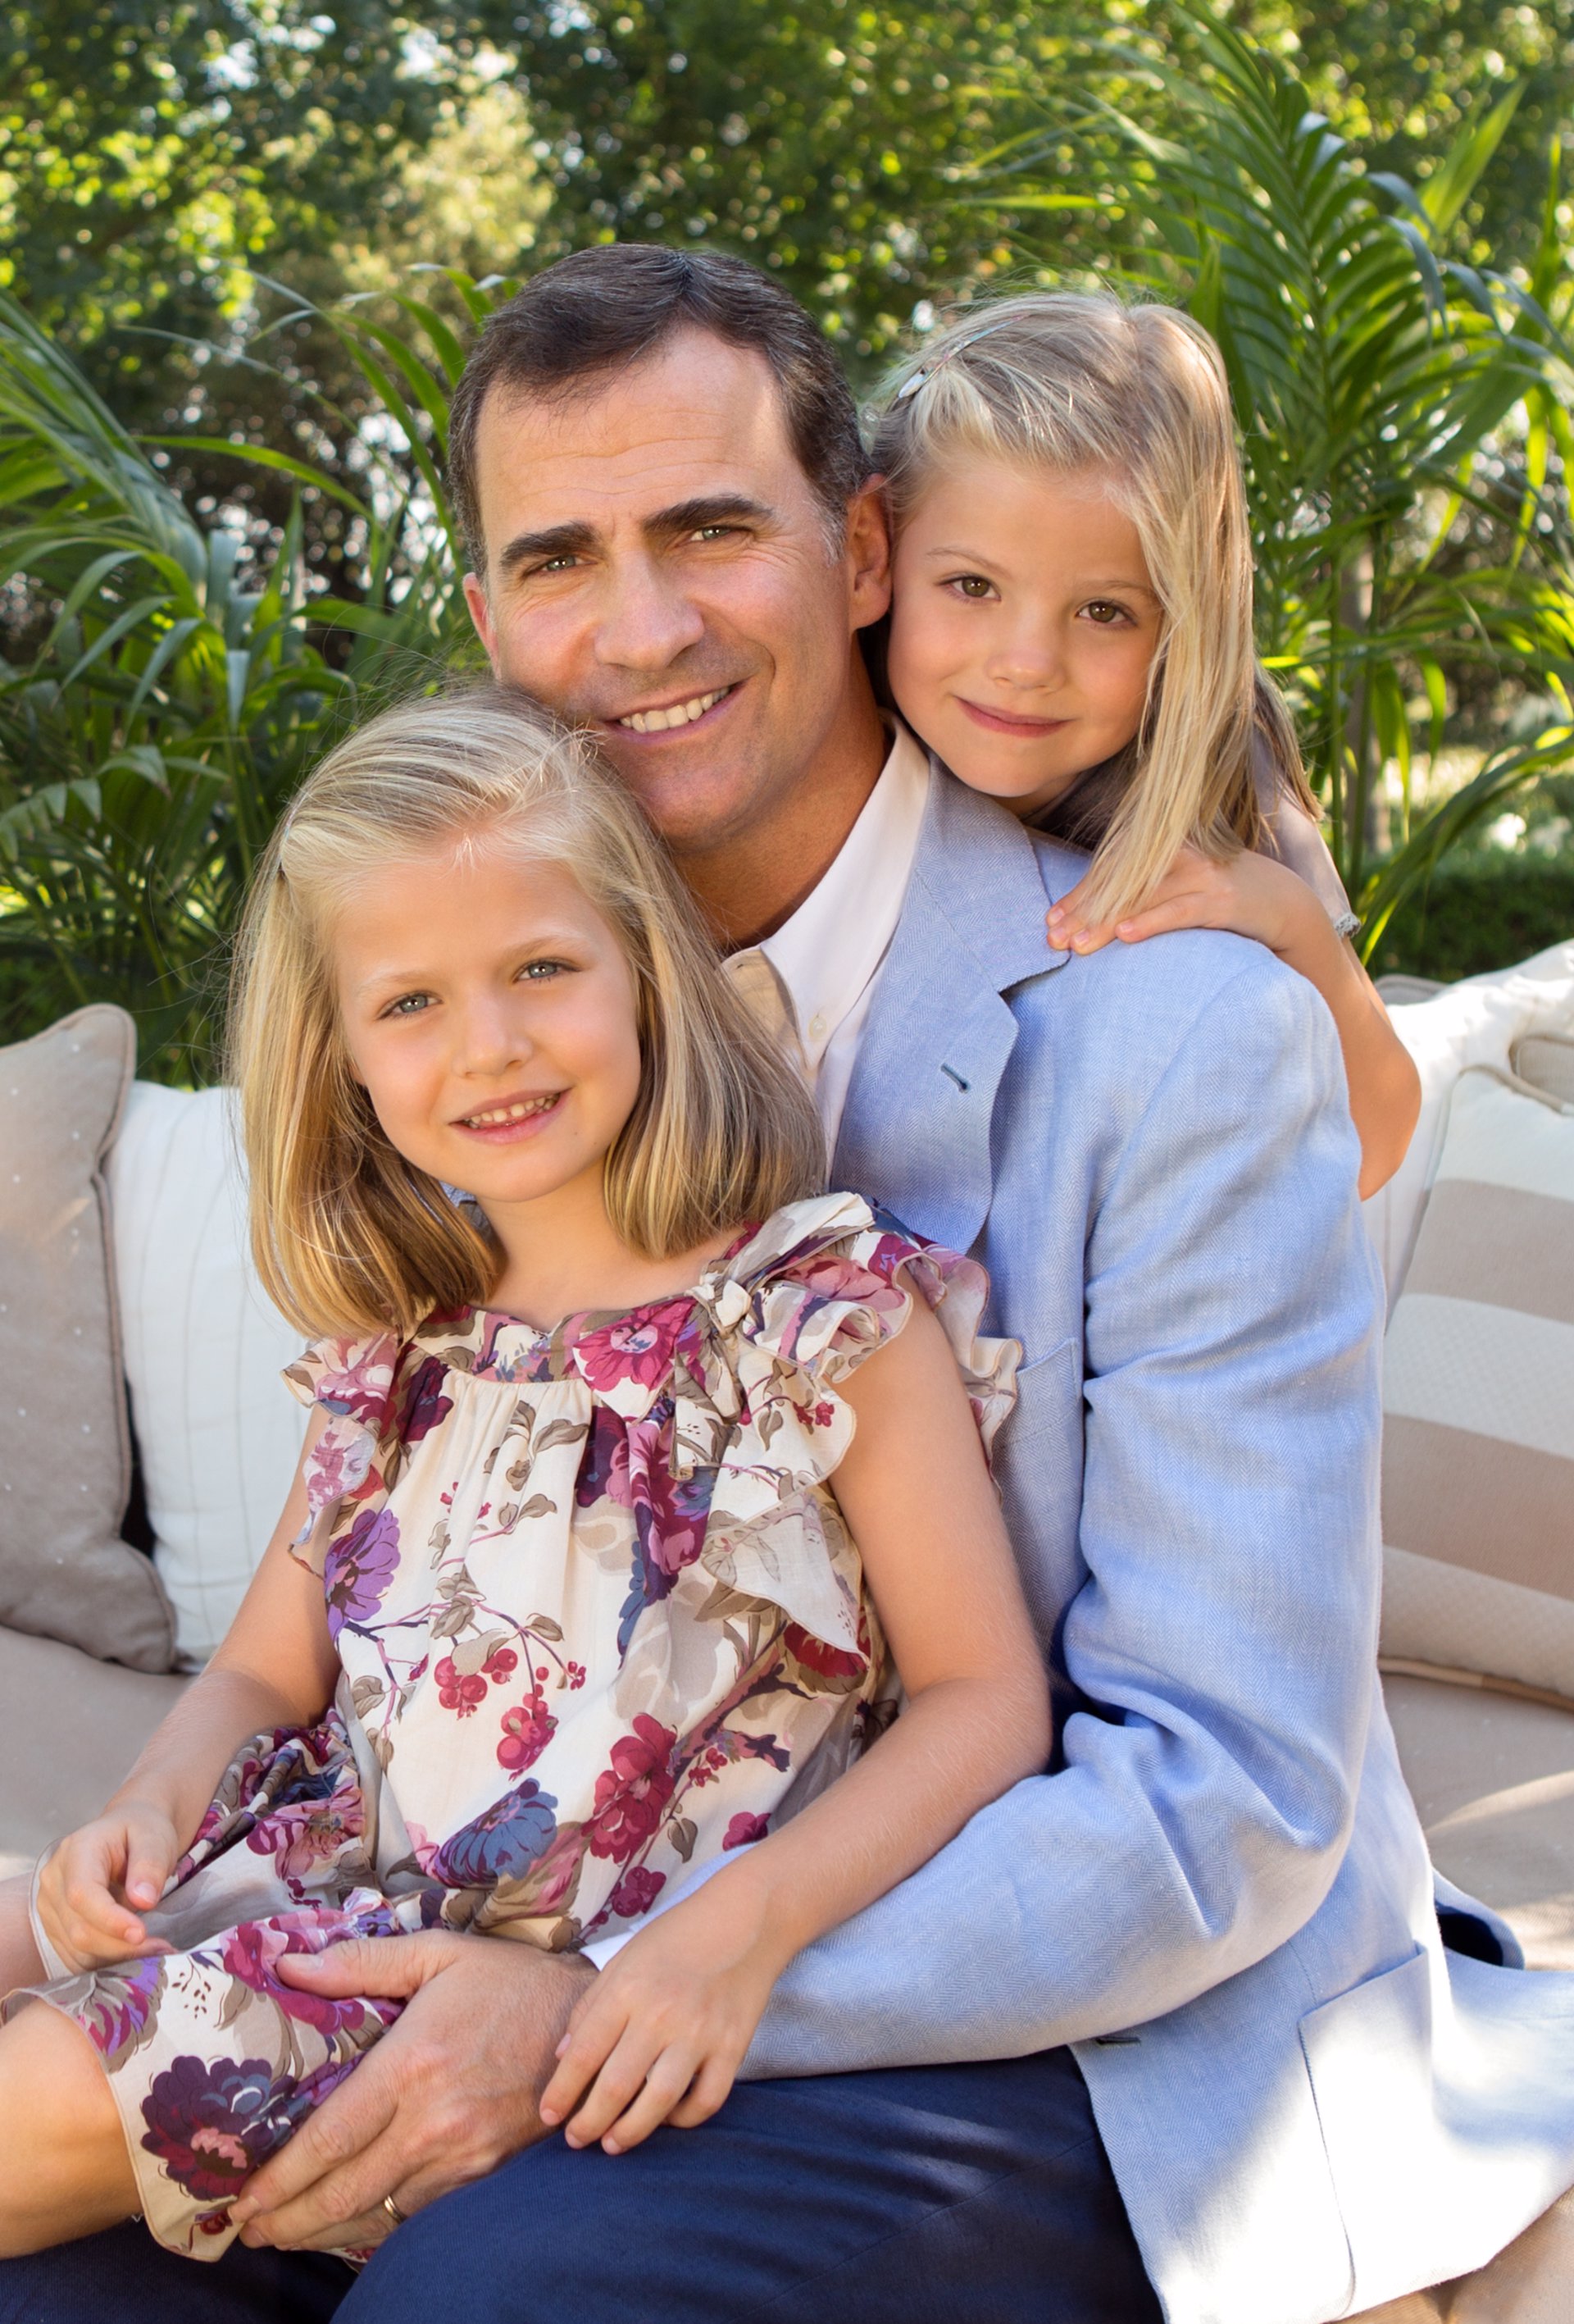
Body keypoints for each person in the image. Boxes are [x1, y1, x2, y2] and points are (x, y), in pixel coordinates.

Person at [7, 243, 1573, 2324]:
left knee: (499, 2295)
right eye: (560, 556)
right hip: (528, 1907)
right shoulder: (484, 1023)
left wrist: (588, 1995)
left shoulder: (1179, 1020)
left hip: (1069, 2003)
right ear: (487, 621)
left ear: (856, 550)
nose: (639, 627)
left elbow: (1224, 1789)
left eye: (710, 531)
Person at [0, 692, 1049, 2262]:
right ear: (343, 1056)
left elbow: (987, 1700)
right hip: (319, 1884)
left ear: (644, 964)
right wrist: (145, 1804)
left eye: (541, 968)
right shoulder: (397, 1352)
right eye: (410, 1001)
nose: (488, 1044)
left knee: (23, 2108)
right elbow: (259, 1671)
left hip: (518, 1985)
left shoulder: (819, 1314)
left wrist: (729, 1940)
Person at [871, 290, 1421, 1199]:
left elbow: (1378, 1137)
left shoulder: (1217, 754)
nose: (1027, 663)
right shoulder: (823, 740)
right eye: (972, 585)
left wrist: (1286, 914)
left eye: (1103, 611)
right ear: (874, 553)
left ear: (1182, 630)